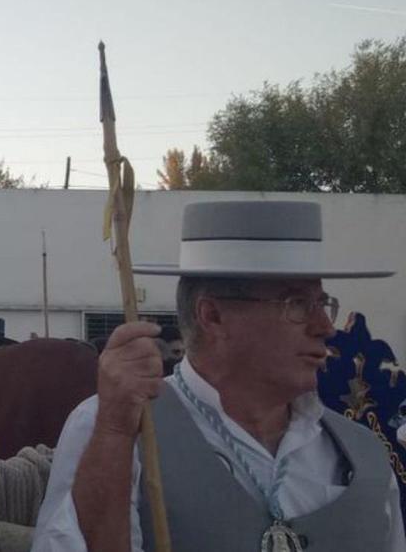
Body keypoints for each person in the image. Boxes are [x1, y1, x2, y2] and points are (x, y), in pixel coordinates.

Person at [32, 200, 405, 552]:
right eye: (297, 305)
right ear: (213, 316)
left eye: (323, 304)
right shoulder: (119, 427)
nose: (325, 326)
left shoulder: (364, 452)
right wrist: (113, 433)